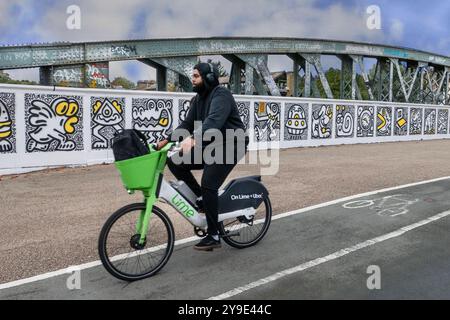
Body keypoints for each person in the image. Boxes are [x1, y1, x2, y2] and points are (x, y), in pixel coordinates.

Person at [156, 62, 249, 251]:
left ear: (208, 78)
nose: (193, 79)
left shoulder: (221, 95)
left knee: (209, 182)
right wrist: (166, 141)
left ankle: (214, 235)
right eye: (193, 76)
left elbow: (213, 121)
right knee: (175, 161)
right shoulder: (197, 100)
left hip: (232, 144)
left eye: (196, 76)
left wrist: (193, 139)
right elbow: (188, 123)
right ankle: (202, 199)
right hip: (211, 144)